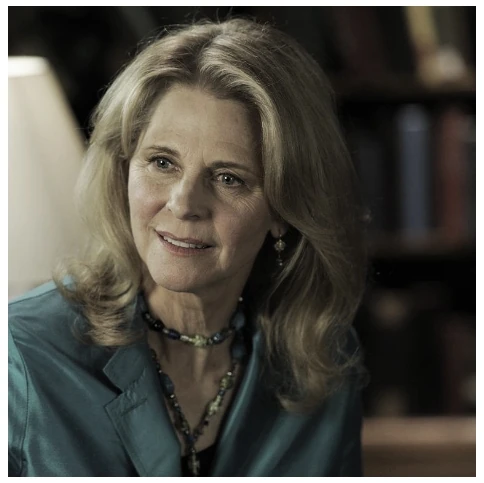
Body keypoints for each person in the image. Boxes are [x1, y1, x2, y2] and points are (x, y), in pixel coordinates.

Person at [8, 18, 369, 477]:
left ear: (284, 207)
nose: (183, 204)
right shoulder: (21, 355)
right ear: (124, 169)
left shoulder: (322, 359)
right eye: (162, 162)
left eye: (228, 178)